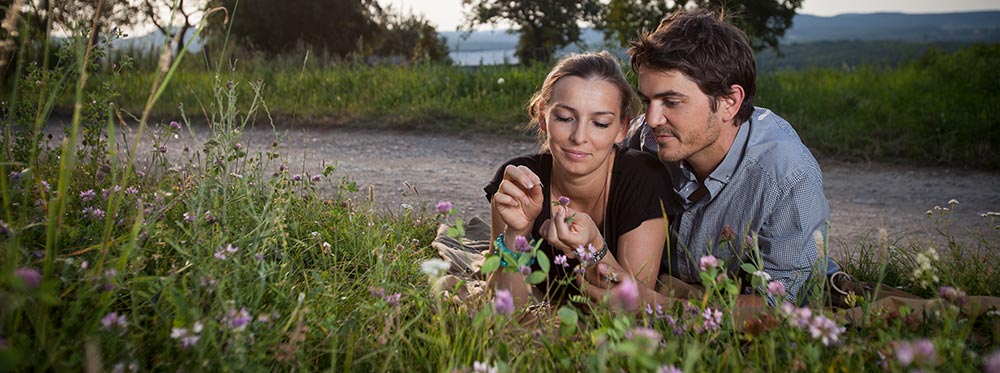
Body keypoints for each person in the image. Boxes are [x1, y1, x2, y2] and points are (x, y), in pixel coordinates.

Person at [583, 9, 830, 308]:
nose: (652, 118)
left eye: (672, 102)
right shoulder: (645, 138)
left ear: (730, 102)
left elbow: (777, 304)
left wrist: (655, 305)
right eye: (647, 100)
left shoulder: (787, 175)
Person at [484, 51, 672, 308]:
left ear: (622, 128)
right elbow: (505, 309)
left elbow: (632, 305)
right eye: (565, 118)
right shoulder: (518, 182)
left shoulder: (643, 180)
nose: (579, 136)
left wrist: (594, 247)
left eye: (600, 123)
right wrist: (516, 233)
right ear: (542, 116)